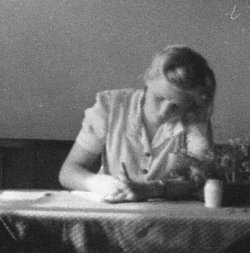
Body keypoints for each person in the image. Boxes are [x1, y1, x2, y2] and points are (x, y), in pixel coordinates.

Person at [58, 44, 216, 202]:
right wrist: (100, 183)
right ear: (148, 78)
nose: (164, 111)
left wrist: (153, 189)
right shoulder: (111, 107)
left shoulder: (194, 118)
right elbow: (68, 172)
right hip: (113, 210)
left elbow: (201, 181)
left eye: (176, 106)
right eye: (159, 98)